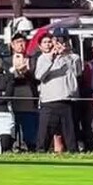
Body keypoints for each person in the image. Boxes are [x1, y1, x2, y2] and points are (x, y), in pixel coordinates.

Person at [34, 25, 81, 153]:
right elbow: (39, 76)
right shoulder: (43, 58)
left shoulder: (74, 58)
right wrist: (52, 57)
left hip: (68, 101)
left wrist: (66, 55)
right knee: (44, 135)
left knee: (71, 136)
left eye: (64, 40)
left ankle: (74, 154)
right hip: (49, 101)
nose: (61, 43)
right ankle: (40, 154)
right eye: (58, 40)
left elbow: (77, 73)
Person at [9, 50, 39, 151]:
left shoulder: (33, 63)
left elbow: (35, 80)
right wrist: (14, 70)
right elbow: (8, 81)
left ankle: (31, 147)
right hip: (13, 105)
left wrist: (26, 71)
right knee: (14, 129)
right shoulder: (7, 65)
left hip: (29, 106)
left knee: (30, 132)